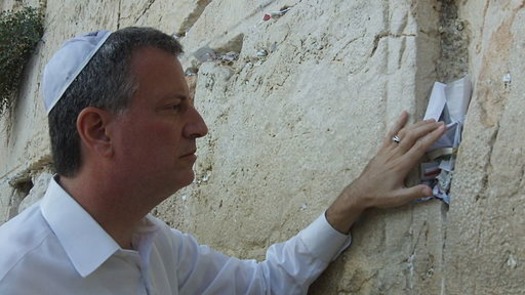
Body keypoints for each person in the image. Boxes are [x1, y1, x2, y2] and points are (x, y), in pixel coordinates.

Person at [0, 27, 445, 294]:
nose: (199, 126)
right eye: (174, 107)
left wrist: (356, 198)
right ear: (98, 130)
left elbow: (267, 284)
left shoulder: (157, 247)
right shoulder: (14, 273)